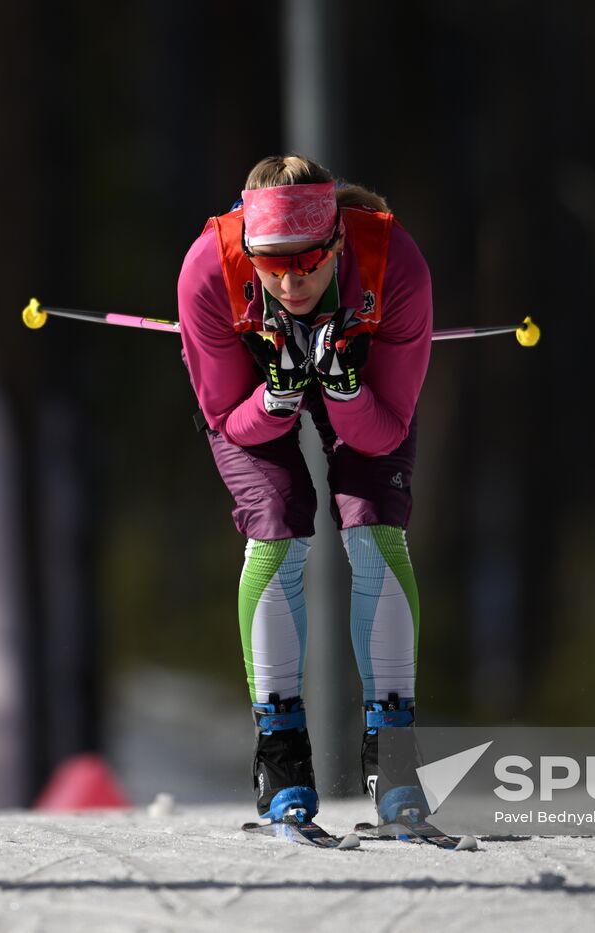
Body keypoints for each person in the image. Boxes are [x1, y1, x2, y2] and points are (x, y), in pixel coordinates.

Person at [178, 155, 432, 825]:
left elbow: (383, 434)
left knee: (374, 524)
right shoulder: (209, 271)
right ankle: (281, 752)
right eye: (271, 263)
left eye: (309, 261)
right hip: (254, 392)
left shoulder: (393, 264)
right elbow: (226, 419)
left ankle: (394, 754)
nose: (290, 281)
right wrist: (280, 393)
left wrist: (343, 386)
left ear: (339, 241)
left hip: (367, 377)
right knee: (277, 522)